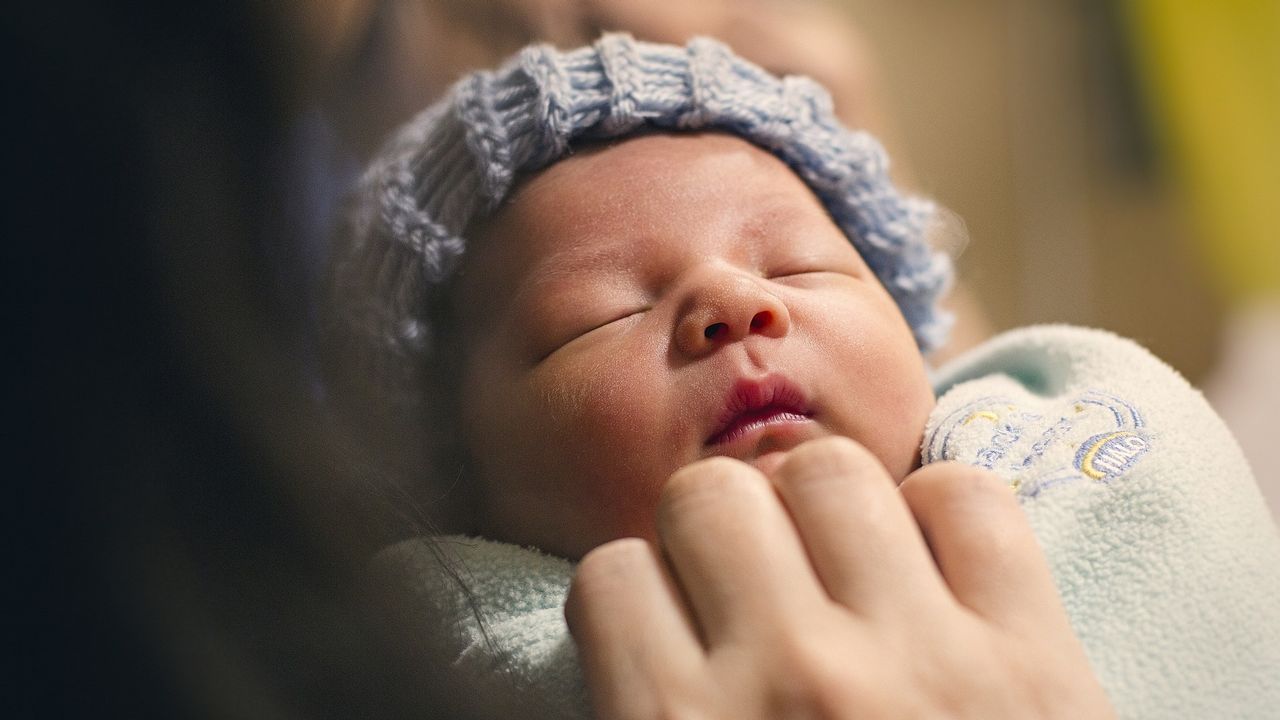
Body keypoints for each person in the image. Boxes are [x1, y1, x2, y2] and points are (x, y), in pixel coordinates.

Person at [323, 34, 1280, 719]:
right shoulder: (446, 648)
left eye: (797, 267)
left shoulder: (1048, 441)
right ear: (456, 484)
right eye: (596, 315)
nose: (737, 305)